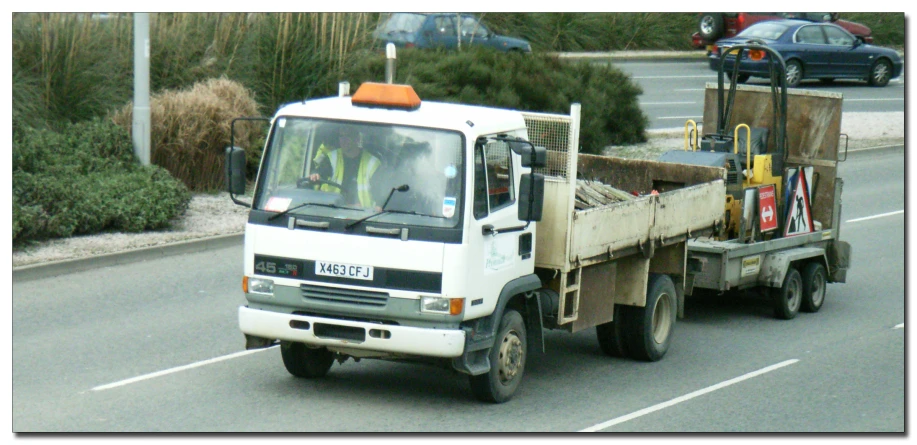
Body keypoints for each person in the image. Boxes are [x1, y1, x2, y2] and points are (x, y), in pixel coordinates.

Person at [309, 128, 384, 209]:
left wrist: (378, 208)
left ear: (357, 139)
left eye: (348, 136)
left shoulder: (372, 163)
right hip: (333, 213)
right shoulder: (332, 157)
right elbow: (320, 171)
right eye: (341, 136)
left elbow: (379, 195)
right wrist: (315, 174)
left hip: (363, 216)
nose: (343, 140)